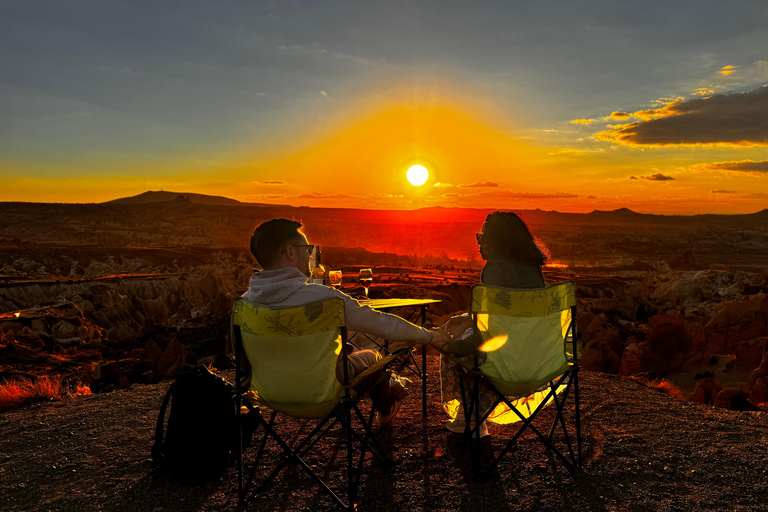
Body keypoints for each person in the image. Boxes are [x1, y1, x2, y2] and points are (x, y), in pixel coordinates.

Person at [241, 218, 450, 426]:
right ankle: (387, 410)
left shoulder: (243, 305)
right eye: (307, 248)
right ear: (290, 252)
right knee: (372, 356)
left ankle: (392, 389)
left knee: (348, 353)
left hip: (271, 396)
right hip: (324, 397)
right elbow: (384, 325)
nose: (309, 254)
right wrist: (430, 335)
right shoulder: (325, 298)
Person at [430, 211, 548, 437]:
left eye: (483, 236)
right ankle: (475, 416)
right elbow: (510, 314)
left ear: (498, 241)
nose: (479, 242)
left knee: (460, 353)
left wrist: (451, 345)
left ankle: (470, 417)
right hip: (539, 360)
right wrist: (467, 318)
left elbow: (491, 330)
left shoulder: (495, 269)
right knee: (475, 348)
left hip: (507, 362)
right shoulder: (532, 269)